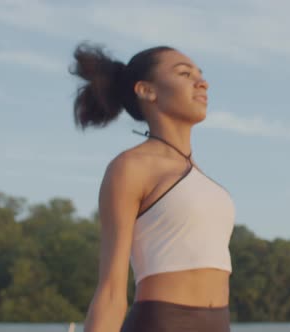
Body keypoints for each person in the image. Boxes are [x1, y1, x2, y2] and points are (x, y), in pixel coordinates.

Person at [69, 42, 235, 332]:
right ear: (147, 90)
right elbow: (111, 291)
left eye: (200, 74)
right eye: (184, 74)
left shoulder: (199, 175)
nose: (202, 83)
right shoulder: (131, 167)